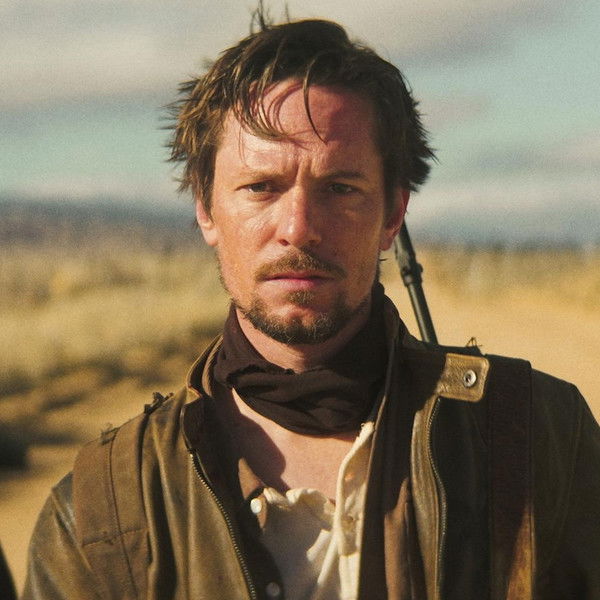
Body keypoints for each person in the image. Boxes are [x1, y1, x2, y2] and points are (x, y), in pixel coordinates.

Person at [23, 11, 600, 600]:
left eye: (340, 189)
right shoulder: (103, 516)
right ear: (205, 209)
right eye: (261, 187)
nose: (299, 228)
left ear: (393, 214)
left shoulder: (539, 439)